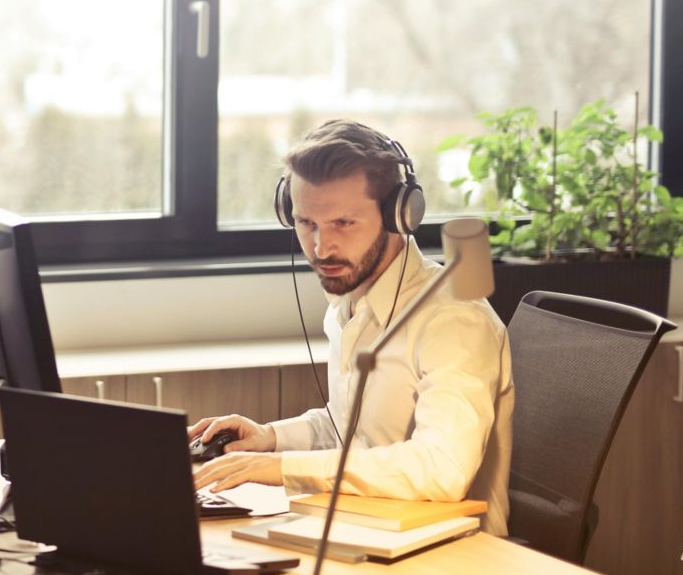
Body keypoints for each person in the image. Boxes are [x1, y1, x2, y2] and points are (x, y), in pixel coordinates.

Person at [191, 119, 513, 535]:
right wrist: (270, 438)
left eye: (343, 223)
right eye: (307, 224)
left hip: (452, 554)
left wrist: (283, 468)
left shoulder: (454, 320)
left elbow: (442, 469)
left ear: (399, 215)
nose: (322, 249)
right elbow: (351, 431)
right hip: (365, 528)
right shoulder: (350, 302)